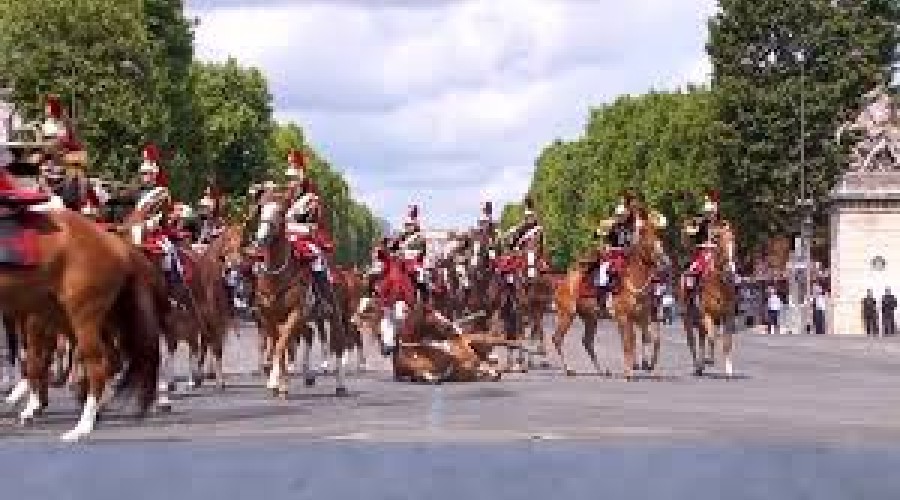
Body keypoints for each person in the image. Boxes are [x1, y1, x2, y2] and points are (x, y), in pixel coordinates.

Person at [283, 148, 337, 313]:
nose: (290, 183)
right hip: (284, 235)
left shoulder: (311, 200)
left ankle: (321, 299)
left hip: (304, 236)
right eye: (289, 180)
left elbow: (314, 224)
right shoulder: (285, 198)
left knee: (317, 260)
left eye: (293, 180)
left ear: (302, 182)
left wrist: (299, 227)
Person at [592, 191, 637, 299]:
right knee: (603, 272)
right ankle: (602, 297)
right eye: (620, 216)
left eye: (624, 216)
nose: (622, 218)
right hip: (613, 253)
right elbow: (597, 236)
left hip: (628, 254)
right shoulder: (610, 225)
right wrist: (605, 244)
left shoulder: (631, 227)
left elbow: (633, 241)